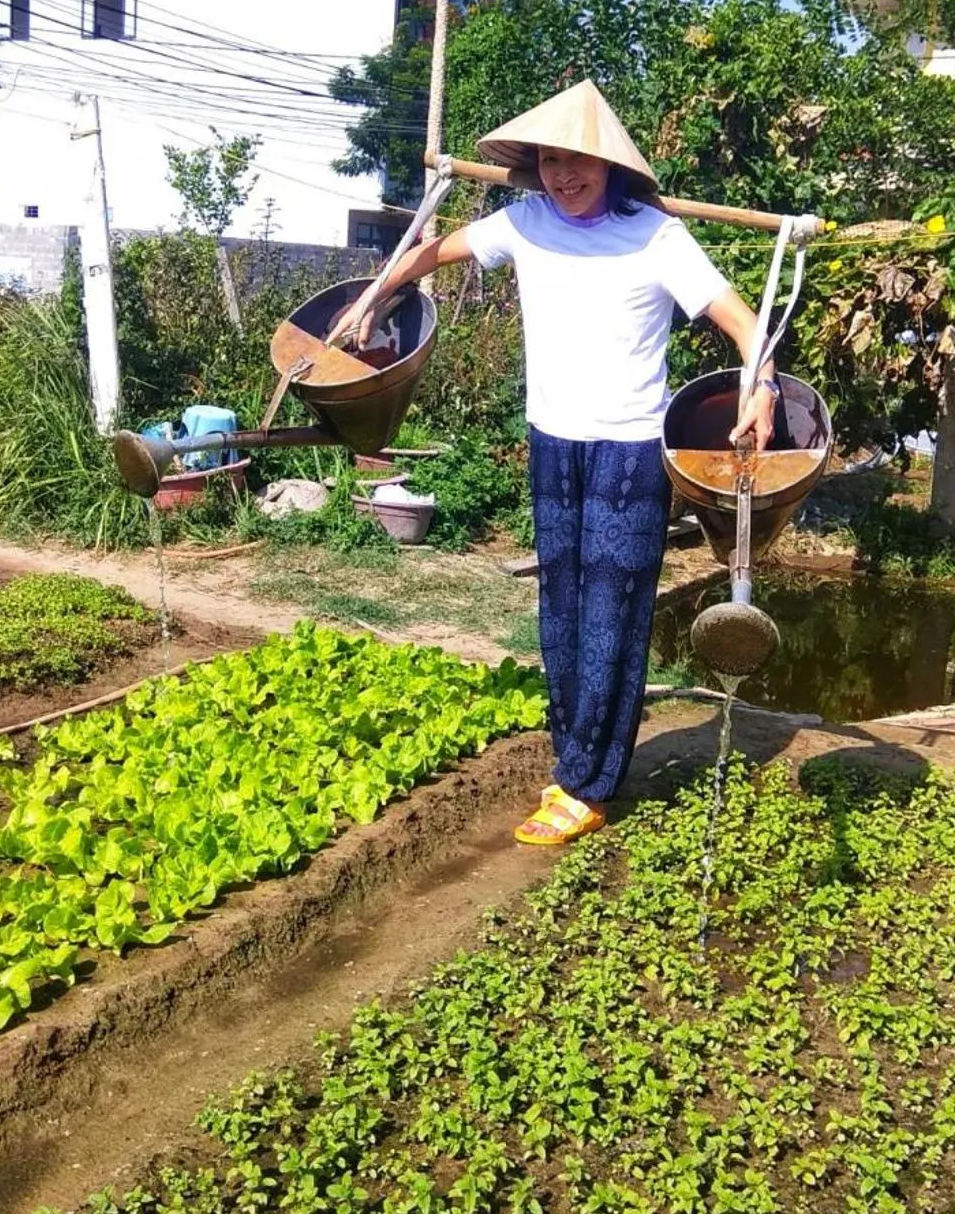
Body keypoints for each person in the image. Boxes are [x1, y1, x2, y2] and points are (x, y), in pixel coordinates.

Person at [331, 79, 779, 847]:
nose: (564, 175)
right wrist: (374, 295)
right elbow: (433, 251)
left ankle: (588, 784)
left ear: (610, 165)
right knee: (562, 608)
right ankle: (576, 760)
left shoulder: (658, 237)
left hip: (629, 452)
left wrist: (760, 382)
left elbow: (743, 321)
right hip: (552, 443)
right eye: (549, 161)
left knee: (612, 613)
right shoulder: (525, 221)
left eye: (578, 160)